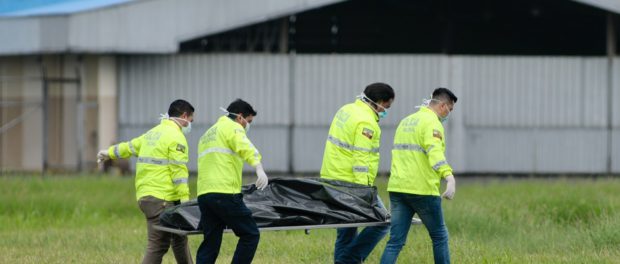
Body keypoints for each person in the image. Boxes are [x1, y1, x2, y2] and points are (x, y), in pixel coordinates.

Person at [97, 99, 194, 264]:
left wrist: (109, 152)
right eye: (190, 121)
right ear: (184, 116)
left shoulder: (152, 133)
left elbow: (130, 147)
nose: (189, 125)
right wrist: (185, 201)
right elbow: (179, 172)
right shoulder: (176, 136)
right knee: (158, 244)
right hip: (161, 199)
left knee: (179, 237)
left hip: (147, 197)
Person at [380, 87, 458, 264]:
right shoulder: (432, 124)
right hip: (422, 190)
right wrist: (449, 177)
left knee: (395, 242)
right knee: (439, 236)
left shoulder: (406, 121)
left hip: (398, 189)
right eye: (450, 110)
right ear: (443, 106)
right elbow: (435, 153)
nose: (449, 114)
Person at [320, 82, 395, 264]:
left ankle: (343, 261)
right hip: (351, 184)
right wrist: (364, 191)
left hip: (332, 178)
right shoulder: (366, 122)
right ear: (378, 102)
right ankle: (349, 260)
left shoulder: (346, 109)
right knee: (383, 223)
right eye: (386, 107)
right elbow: (360, 158)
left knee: (346, 229)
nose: (385, 111)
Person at [195, 99, 269, 264]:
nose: (247, 126)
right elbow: (245, 147)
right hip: (225, 193)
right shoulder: (232, 127)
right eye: (248, 122)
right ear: (240, 117)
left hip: (204, 195)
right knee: (250, 234)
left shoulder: (208, 134)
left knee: (210, 242)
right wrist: (258, 167)